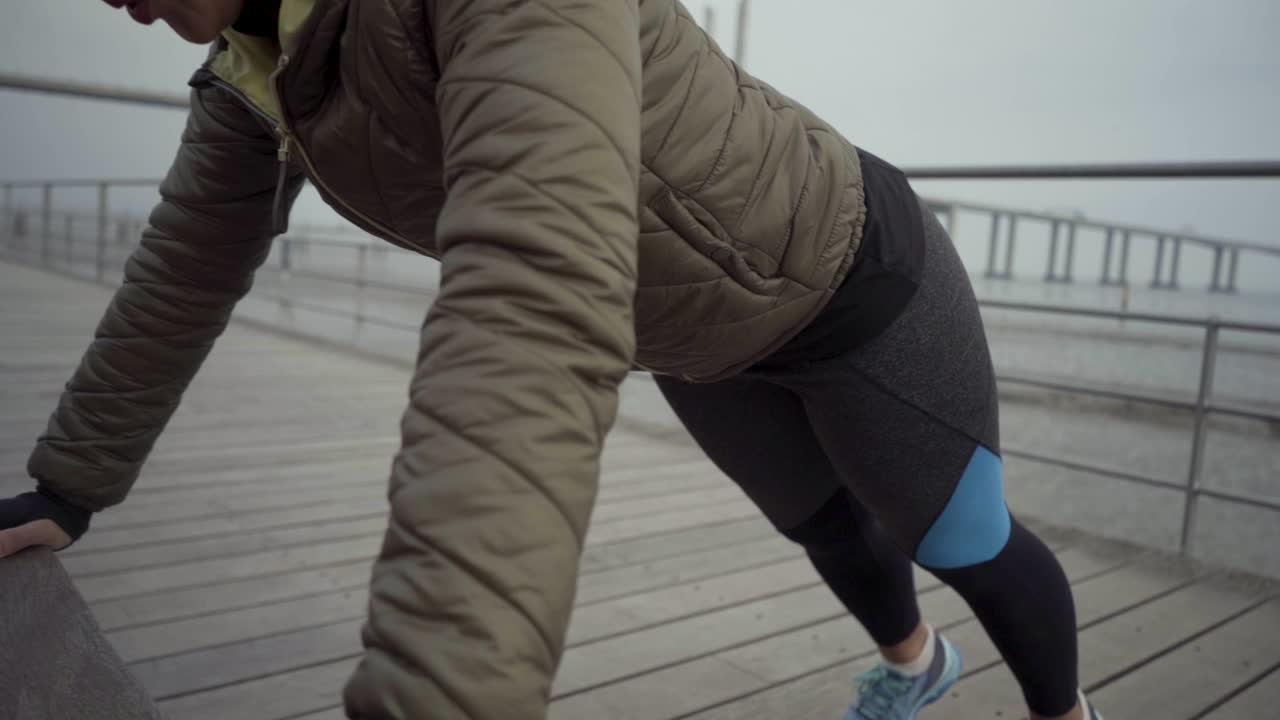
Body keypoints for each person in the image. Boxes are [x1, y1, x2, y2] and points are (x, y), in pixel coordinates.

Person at [0, 1, 1106, 719]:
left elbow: (530, 285)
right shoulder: (253, 69)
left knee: (963, 543)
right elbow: (184, 269)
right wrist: (71, 482)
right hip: (692, 334)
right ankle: (917, 670)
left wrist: (445, 690)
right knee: (826, 529)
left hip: (858, 283)